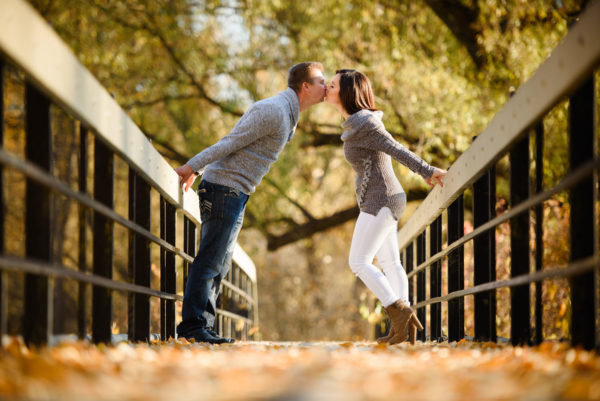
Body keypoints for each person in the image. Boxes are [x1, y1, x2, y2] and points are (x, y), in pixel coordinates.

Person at [176, 62, 326, 344]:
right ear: (305, 86)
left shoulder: (288, 113)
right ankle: (193, 328)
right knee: (210, 261)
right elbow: (230, 142)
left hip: (236, 192)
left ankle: (202, 327)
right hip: (223, 189)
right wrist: (193, 166)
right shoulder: (274, 110)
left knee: (220, 263)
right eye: (321, 81)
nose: (326, 86)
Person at [325, 69, 446, 345]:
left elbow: (395, 148)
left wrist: (427, 170)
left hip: (381, 199)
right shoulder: (355, 123)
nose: (327, 89)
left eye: (331, 85)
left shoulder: (366, 123)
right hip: (382, 198)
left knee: (358, 261)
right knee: (391, 263)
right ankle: (402, 331)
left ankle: (399, 311)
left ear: (346, 93)